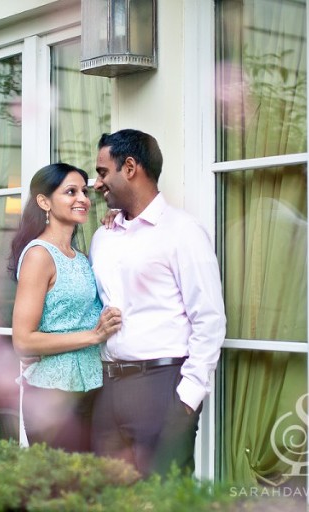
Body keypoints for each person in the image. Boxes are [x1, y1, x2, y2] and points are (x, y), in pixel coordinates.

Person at [88, 129, 226, 476]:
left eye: (103, 172)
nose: (96, 183)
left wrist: (186, 401)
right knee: (105, 498)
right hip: (107, 389)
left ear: (130, 167)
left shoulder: (183, 232)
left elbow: (208, 319)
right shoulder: (103, 236)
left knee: (163, 498)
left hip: (162, 386)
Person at [9, 163, 122, 453]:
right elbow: (23, 341)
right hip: (52, 396)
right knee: (59, 490)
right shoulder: (39, 255)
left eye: (84, 191)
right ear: (44, 201)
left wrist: (118, 219)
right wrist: (93, 336)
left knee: (87, 490)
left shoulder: (81, 257)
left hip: (90, 388)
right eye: (70, 192)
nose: (82, 199)